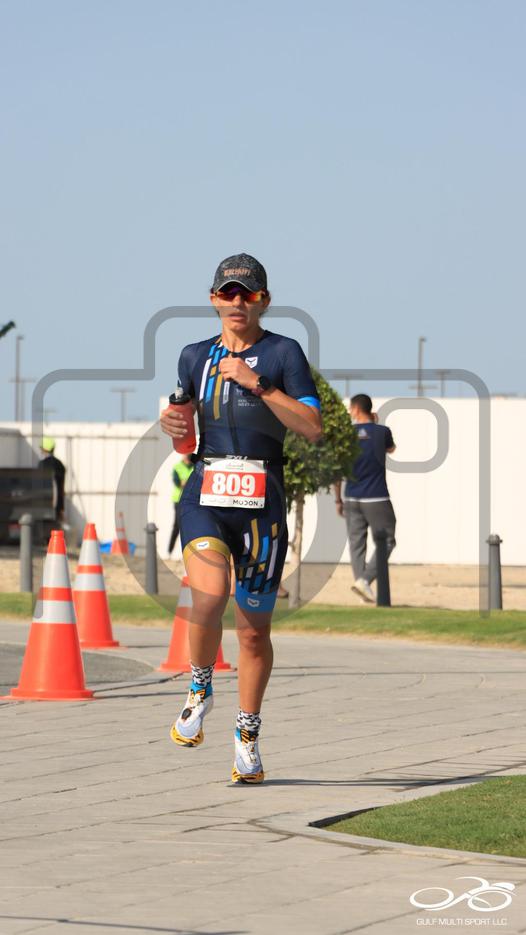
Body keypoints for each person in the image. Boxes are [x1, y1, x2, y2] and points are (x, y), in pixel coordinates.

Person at [160, 253, 322, 783]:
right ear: (213, 299)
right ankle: (199, 686)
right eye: (228, 292)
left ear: (264, 301)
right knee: (208, 597)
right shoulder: (193, 356)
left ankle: (247, 735)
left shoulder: (283, 352)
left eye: (248, 294)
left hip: (262, 505)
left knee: (253, 634)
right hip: (206, 494)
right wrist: (173, 425)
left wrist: (259, 385)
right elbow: (185, 432)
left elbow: (313, 427)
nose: (237, 302)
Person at [334, 394, 396, 603]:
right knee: (388, 540)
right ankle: (365, 581)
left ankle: (362, 588)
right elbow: (391, 449)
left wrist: (338, 499)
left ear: (356, 409)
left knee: (356, 545)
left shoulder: (346, 435)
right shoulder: (382, 432)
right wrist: (375, 425)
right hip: (377, 497)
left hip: (351, 497)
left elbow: (338, 470)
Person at [167, 454, 195, 556]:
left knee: (191, 526)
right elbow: (178, 483)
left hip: (191, 500)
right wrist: (188, 483)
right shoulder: (177, 467)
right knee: (177, 526)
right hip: (178, 500)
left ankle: (188, 553)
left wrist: (186, 482)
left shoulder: (194, 466)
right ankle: (169, 552)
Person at [39, 437, 66, 526]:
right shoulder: (60, 464)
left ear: (44, 449)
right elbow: (61, 487)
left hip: (44, 504)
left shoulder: (42, 464)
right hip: (57, 505)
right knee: (56, 528)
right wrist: (61, 508)